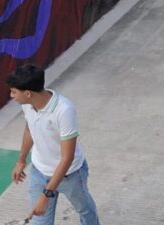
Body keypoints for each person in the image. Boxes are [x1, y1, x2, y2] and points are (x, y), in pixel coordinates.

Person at [8, 63, 101, 225]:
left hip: (70, 175)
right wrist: (21, 160)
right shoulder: (27, 105)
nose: (11, 96)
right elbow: (30, 129)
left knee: (85, 210)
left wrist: (46, 195)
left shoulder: (64, 110)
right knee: (39, 221)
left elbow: (67, 158)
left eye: (14, 92)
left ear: (28, 93)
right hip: (39, 172)